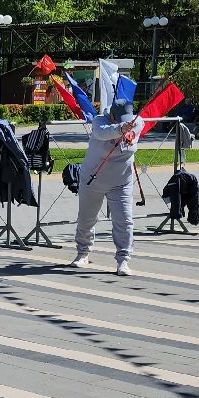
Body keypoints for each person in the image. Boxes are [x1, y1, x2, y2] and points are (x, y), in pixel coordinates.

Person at [70, 98, 140, 276]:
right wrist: (119, 130)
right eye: (121, 119)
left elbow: (134, 132)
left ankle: (123, 260)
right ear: (112, 115)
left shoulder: (137, 123)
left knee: (124, 221)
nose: (126, 122)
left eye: (128, 119)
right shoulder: (99, 122)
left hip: (121, 182)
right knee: (86, 218)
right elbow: (103, 133)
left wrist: (125, 127)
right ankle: (82, 253)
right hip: (93, 179)